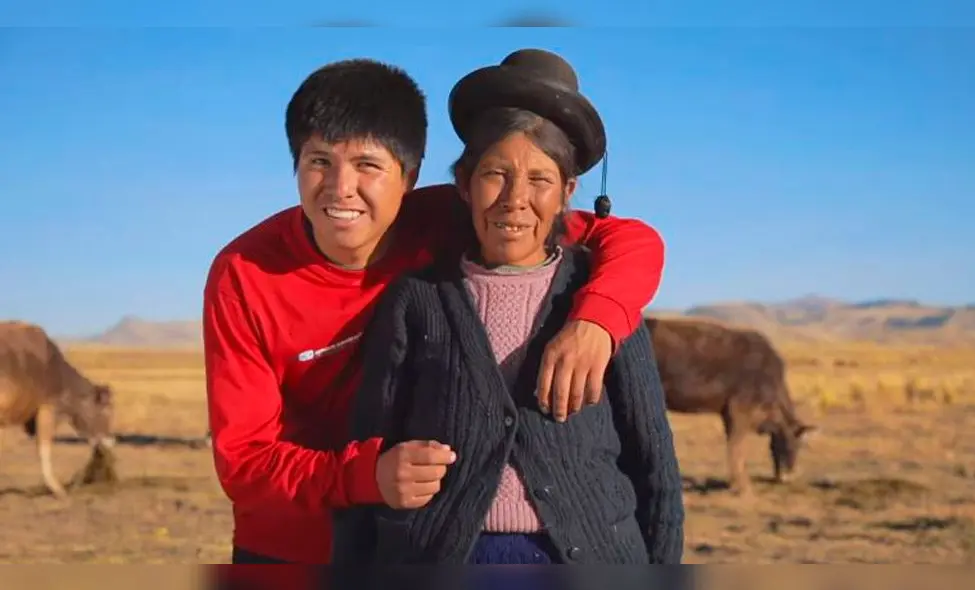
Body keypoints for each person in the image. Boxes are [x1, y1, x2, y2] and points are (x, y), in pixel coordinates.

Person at [202, 56, 668, 566]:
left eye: (368, 166)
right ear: (294, 164)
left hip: (405, 544)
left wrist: (595, 320)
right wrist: (367, 476)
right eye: (319, 162)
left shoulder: (451, 217)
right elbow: (243, 463)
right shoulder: (245, 273)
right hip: (290, 547)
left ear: (411, 175)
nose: (340, 189)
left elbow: (628, 239)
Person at [330, 48, 685, 568]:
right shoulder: (418, 301)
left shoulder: (600, 300)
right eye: (495, 174)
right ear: (463, 185)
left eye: (540, 180)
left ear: (567, 194)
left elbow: (653, 462)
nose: (515, 198)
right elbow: (370, 445)